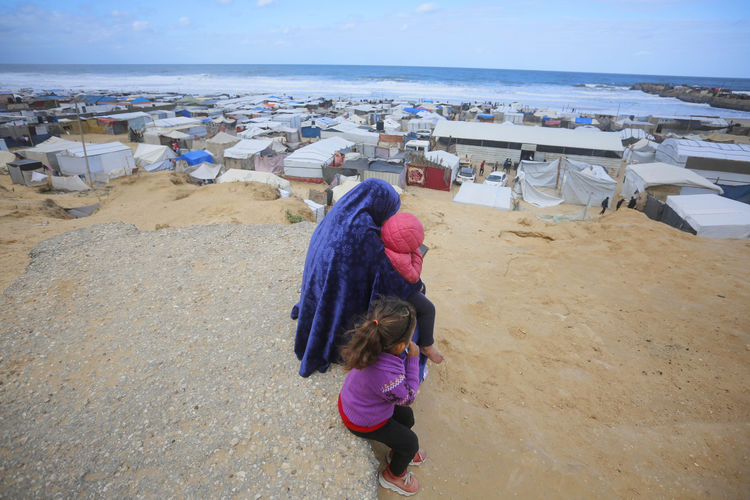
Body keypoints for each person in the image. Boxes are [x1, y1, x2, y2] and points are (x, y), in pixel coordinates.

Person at [292, 179, 423, 377]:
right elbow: (385, 274)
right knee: (412, 301)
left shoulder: (342, 211)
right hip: (337, 299)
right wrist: (416, 285)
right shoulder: (363, 231)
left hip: (317, 287)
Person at [339, 297, 425, 496]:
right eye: (409, 337)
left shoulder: (372, 347)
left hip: (355, 403)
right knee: (411, 442)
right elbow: (409, 396)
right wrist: (413, 359)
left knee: (407, 417)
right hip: (361, 420)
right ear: (398, 346)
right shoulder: (387, 376)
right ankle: (393, 476)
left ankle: (398, 452)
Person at [381, 212, 444, 364]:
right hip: (395, 291)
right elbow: (414, 276)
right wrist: (416, 252)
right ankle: (427, 346)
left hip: (393, 283)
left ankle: (417, 322)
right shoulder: (400, 258)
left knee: (422, 290)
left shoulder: (385, 241)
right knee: (429, 308)